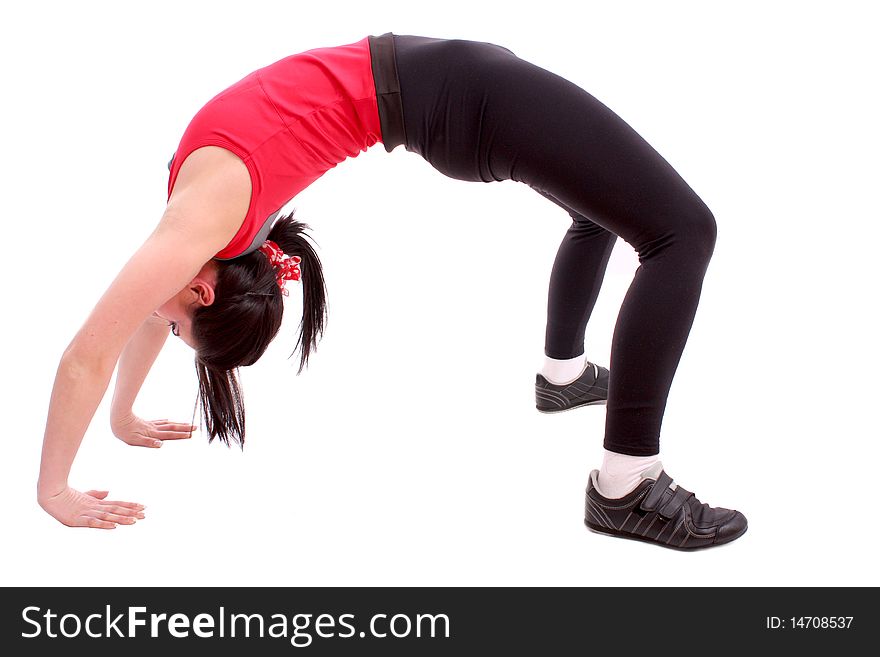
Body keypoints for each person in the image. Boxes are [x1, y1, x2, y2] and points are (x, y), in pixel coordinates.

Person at [37, 32, 746, 550]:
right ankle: (627, 484)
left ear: (201, 292)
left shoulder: (201, 221)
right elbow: (134, 318)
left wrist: (75, 464)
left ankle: (564, 377)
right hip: (464, 100)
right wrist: (99, 440)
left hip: (465, 98)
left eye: (173, 329)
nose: (159, 319)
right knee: (683, 230)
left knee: (634, 217)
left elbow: (87, 353)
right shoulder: (201, 225)